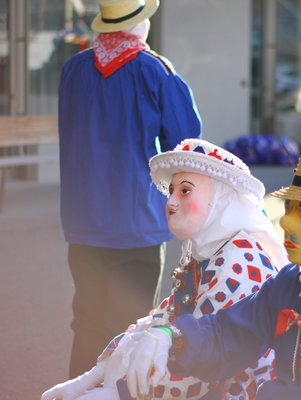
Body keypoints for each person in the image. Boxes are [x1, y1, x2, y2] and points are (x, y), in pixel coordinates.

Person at [120, 151, 301, 400]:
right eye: (289, 208)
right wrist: (171, 336)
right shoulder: (294, 282)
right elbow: (229, 334)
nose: (286, 222)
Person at [41, 138, 289, 400]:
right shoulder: (208, 254)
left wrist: (120, 393)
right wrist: (96, 374)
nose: (171, 201)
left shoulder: (240, 262)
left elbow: (206, 361)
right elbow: (164, 318)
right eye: (172, 191)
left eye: (185, 191)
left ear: (221, 199)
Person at [58, 0, 202, 378]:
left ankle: (80, 391)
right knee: (130, 327)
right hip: (136, 222)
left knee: (86, 321)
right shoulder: (155, 70)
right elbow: (186, 145)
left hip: (82, 221)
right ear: (140, 24)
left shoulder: (73, 69)